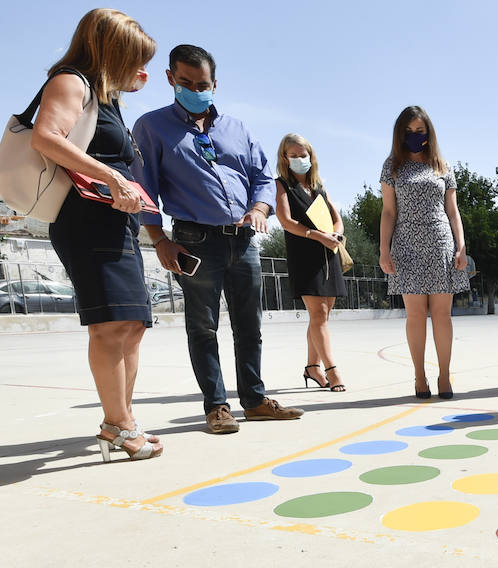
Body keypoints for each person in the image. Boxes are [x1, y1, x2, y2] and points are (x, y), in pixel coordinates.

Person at [132, 44, 303, 433]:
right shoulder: (152, 127)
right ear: (170, 78)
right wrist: (160, 241)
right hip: (194, 242)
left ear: (215, 84)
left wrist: (260, 208)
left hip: (243, 240)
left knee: (250, 326)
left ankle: (255, 400)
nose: (195, 89)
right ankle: (216, 406)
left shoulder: (237, 129)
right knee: (203, 327)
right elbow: (144, 190)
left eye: (203, 83)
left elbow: (262, 176)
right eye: (187, 82)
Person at [30, 9, 162, 461]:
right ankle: (119, 426)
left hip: (115, 220)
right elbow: (46, 137)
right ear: (112, 51)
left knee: (132, 325)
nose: (140, 70)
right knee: (109, 327)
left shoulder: (107, 99)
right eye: (135, 58)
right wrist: (112, 175)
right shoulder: (69, 82)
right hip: (84, 220)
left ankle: (121, 420)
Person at [378, 106, 469, 400]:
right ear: (400, 133)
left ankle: (444, 375)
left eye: (420, 131)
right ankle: (419, 376)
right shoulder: (392, 166)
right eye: (409, 131)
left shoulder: (442, 166)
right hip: (406, 246)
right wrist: (384, 249)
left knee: (442, 315)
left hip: (441, 242)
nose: (415, 136)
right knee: (415, 316)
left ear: (429, 133)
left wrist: (461, 246)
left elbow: (453, 211)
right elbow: (389, 212)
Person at [273, 133, 348, 392]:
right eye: (293, 155)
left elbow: (337, 219)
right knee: (318, 315)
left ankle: (312, 367)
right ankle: (331, 370)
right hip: (304, 256)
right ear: (285, 158)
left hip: (328, 255)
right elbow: (285, 221)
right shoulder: (282, 184)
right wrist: (317, 236)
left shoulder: (318, 186)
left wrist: (335, 234)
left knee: (322, 315)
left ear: (311, 156)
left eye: (302, 155)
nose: (299, 159)